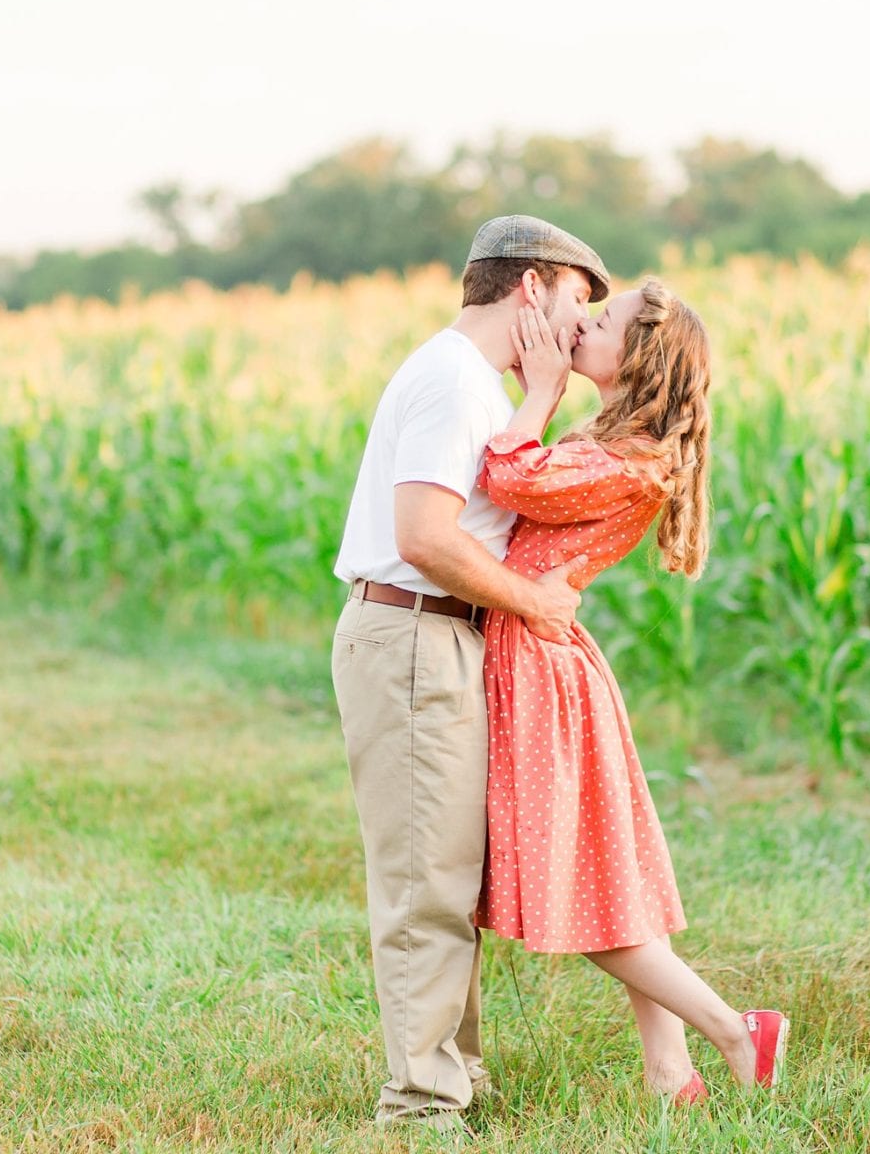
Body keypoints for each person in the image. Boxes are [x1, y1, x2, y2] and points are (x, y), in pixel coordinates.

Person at [474, 278, 788, 1105]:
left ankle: (734, 1029)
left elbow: (510, 476)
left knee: (577, 899)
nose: (582, 323)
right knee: (615, 886)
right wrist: (537, 387)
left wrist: (536, 392)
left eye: (600, 320)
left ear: (638, 358)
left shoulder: (625, 460)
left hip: (540, 671)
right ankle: (670, 1073)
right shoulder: (616, 440)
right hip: (547, 657)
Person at [330, 216, 611, 1130]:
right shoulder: (454, 382)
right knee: (425, 881)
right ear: (530, 288)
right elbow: (424, 537)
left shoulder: (479, 386)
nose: (582, 323)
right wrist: (536, 605)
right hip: (413, 635)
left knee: (451, 870)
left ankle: (455, 1075)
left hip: (439, 638)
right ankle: (419, 1106)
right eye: (577, 298)